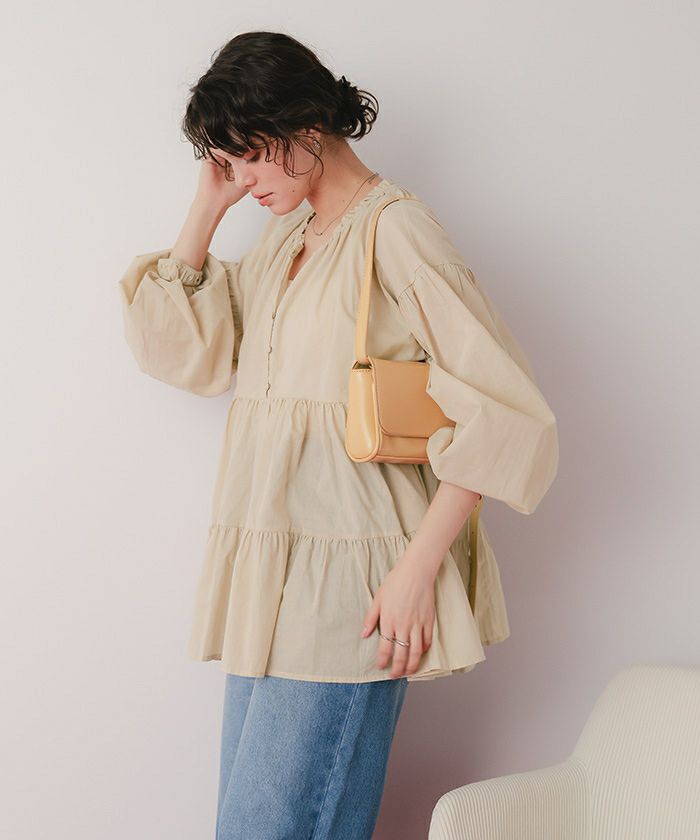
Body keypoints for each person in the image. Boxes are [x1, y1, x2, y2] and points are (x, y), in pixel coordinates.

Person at [117, 29, 558, 840]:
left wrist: (415, 572)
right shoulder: (286, 236)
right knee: (252, 826)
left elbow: (504, 410)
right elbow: (179, 352)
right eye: (228, 159)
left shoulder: (397, 231)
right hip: (271, 586)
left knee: (272, 827)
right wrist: (207, 205)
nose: (244, 177)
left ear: (307, 125)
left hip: (353, 588)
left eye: (250, 154)